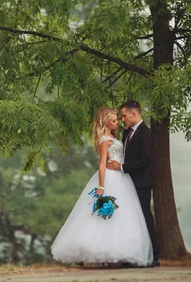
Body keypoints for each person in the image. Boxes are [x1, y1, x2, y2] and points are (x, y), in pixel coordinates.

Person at [51, 107, 153, 266]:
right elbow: (102, 164)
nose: (118, 122)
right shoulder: (104, 140)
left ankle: (119, 253)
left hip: (122, 177)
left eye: (118, 119)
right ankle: (95, 252)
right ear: (105, 122)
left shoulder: (115, 136)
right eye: (114, 120)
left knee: (123, 215)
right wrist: (101, 186)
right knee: (103, 214)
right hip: (110, 178)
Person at [107, 100, 159, 267]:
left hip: (141, 182)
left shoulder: (145, 133)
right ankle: (133, 255)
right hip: (127, 183)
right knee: (131, 219)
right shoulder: (128, 132)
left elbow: (145, 160)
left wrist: (121, 167)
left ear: (134, 113)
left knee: (144, 217)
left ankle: (154, 256)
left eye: (124, 115)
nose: (122, 119)